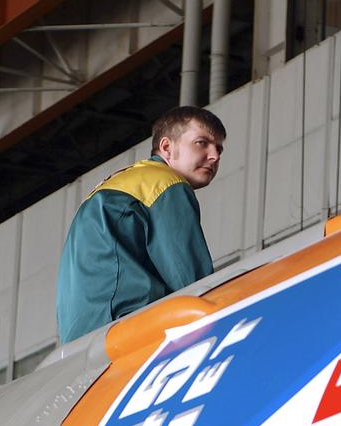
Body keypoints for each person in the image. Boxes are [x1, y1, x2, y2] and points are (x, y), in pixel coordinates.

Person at [56, 106, 226, 344]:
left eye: (219, 148)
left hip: (82, 340)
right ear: (167, 147)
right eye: (202, 143)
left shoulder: (117, 185)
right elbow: (193, 281)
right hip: (127, 327)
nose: (215, 155)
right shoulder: (165, 183)